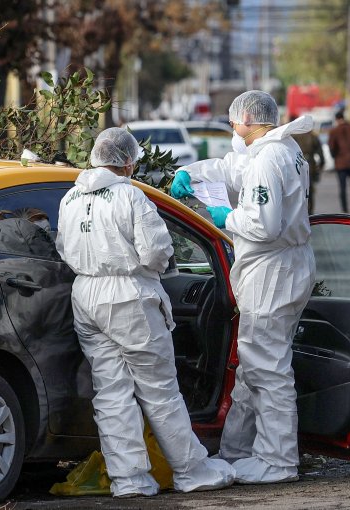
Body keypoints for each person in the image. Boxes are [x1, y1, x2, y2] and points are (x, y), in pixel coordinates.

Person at [55, 128, 235, 497]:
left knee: (111, 391)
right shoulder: (130, 196)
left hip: (85, 294)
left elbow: (62, 246)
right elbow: (157, 251)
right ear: (128, 161)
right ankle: (191, 470)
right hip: (128, 293)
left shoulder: (71, 197)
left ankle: (129, 479)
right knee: (159, 389)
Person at [170, 91, 316, 484]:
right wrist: (193, 172)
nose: (233, 128)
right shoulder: (277, 151)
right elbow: (233, 168)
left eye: (235, 121)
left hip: (273, 271)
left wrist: (226, 216)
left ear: (248, 118)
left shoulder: (270, 158)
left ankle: (278, 459)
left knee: (268, 368)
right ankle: (243, 450)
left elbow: (263, 226)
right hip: (282, 267)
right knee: (255, 366)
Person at [291, 120, 326, 214]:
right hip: (310, 165)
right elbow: (321, 155)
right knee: (309, 191)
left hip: (296, 165)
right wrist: (320, 166)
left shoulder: (294, 137)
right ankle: (310, 213)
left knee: (296, 190)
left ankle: (298, 212)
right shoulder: (313, 137)